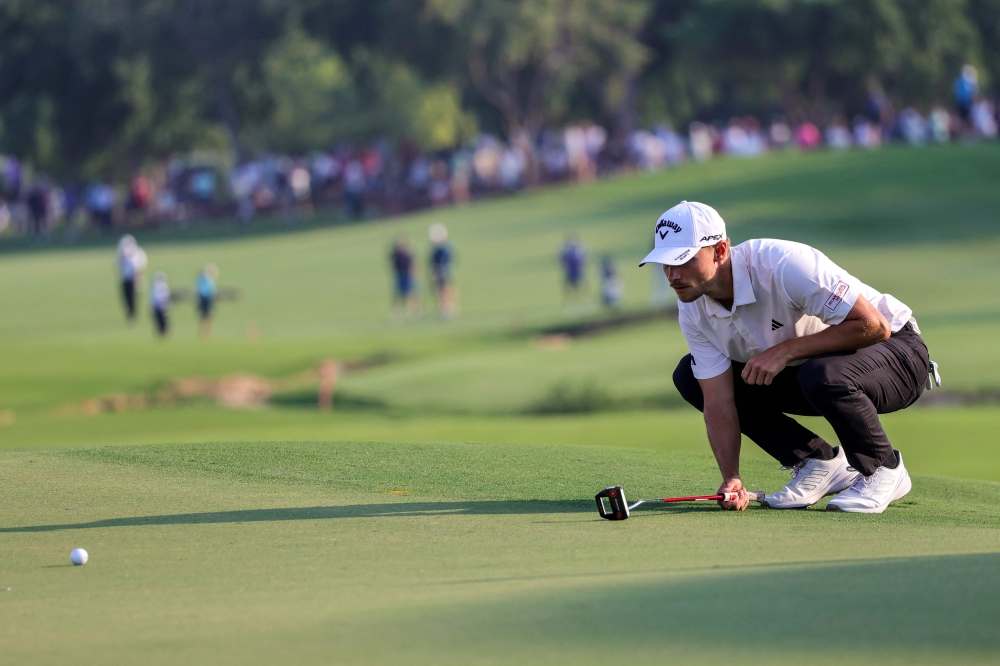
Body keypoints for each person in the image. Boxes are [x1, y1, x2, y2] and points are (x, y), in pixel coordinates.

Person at [640, 201, 936, 514]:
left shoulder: (782, 265)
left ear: (721, 250)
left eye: (684, 260)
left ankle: (883, 468)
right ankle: (817, 462)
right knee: (690, 377)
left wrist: (785, 350)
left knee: (820, 374)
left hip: (899, 356)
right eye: (665, 262)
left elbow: (874, 325)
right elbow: (718, 401)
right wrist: (732, 477)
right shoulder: (692, 309)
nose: (672, 274)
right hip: (815, 371)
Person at [428, 223, 459, 318]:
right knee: (440, 288)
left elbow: (445, 260)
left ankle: (449, 306)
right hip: (440, 270)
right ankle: (444, 306)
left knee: (445, 288)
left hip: (443, 271)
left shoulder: (443, 248)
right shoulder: (438, 249)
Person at [116, 234, 147, 322]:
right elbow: (119, 266)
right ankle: (130, 312)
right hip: (125, 279)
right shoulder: (124, 254)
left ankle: (133, 313)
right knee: (126, 297)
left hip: (133, 279)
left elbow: (139, 266)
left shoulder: (137, 254)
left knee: (133, 298)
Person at [389, 236, 420, 319]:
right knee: (399, 294)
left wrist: (413, 274)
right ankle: (400, 311)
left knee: (411, 293)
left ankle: (414, 310)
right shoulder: (396, 255)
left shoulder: (407, 255)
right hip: (399, 276)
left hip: (407, 276)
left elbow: (413, 265)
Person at [559, 234, 588, 303]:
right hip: (571, 271)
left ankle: (581, 298)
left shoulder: (578, 250)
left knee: (580, 285)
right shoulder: (568, 251)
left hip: (577, 271)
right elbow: (563, 260)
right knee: (569, 286)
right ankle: (569, 300)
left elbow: (583, 259)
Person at [196, 263, 219, 338]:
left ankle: (207, 332)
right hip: (206, 299)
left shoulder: (205, 279)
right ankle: (205, 333)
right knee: (206, 316)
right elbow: (206, 290)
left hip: (207, 299)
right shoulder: (205, 279)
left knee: (207, 316)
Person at [150, 271, 171, 337]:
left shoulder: (155, 286)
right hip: (160, 306)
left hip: (158, 306)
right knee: (162, 321)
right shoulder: (161, 286)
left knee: (161, 322)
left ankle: (162, 334)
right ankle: (162, 334)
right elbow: (164, 296)